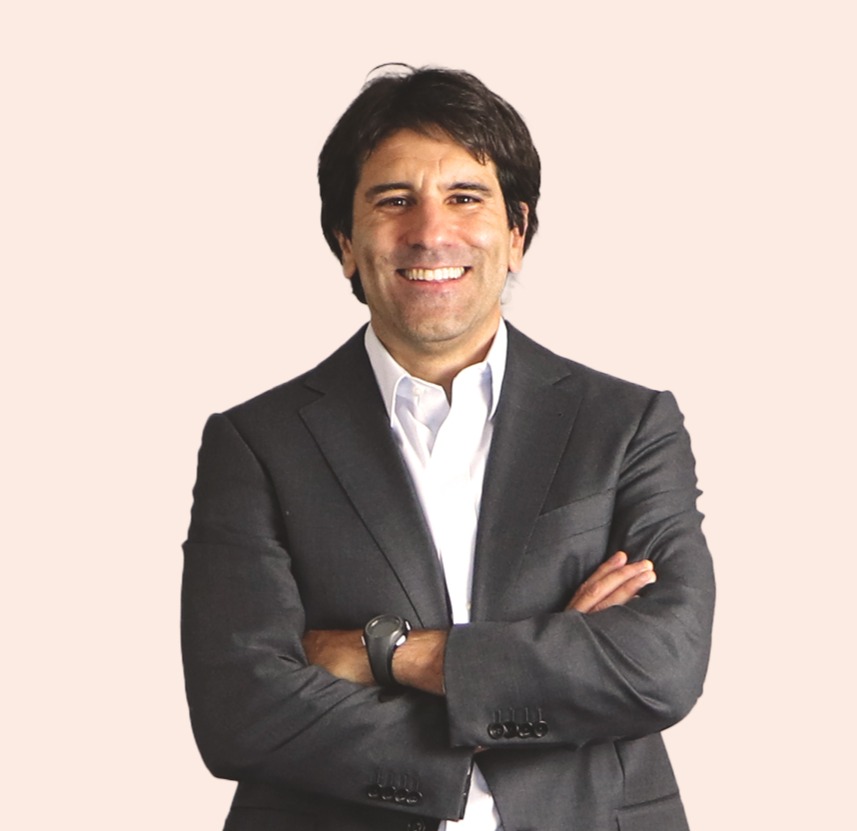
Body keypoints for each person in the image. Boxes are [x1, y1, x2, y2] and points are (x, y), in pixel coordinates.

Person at [181, 66, 715, 831]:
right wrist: (542, 678)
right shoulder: (255, 443)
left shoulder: (627, 425)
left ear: (516, 233)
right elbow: (240, 708)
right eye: (393, 200)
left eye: (465, 197)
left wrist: (389, 655)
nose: (430, 232)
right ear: (345, 244)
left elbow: (661, 664)